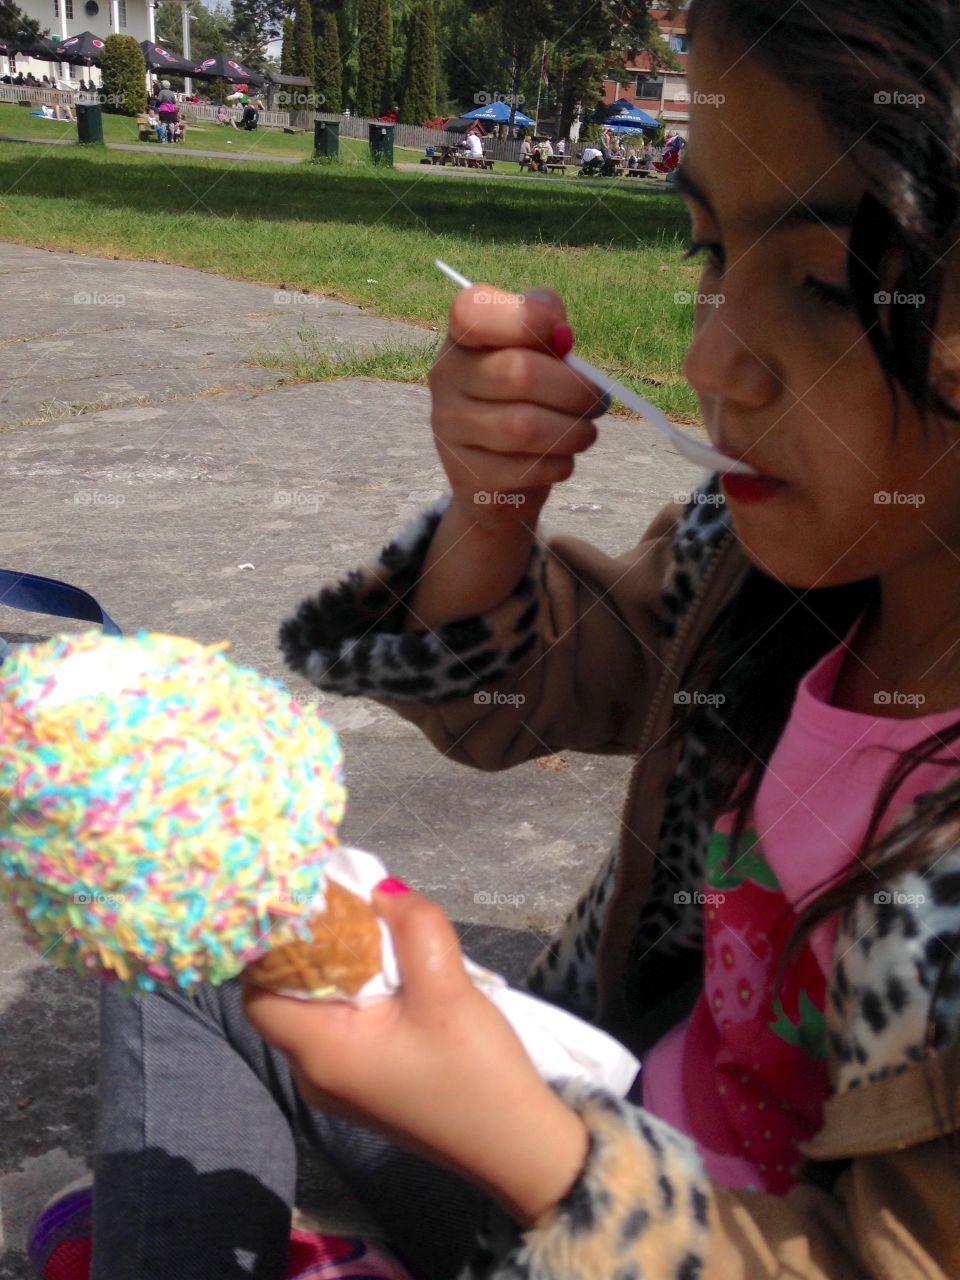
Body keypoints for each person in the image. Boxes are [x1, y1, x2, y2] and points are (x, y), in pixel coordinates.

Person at [31, 1, 960, 1278]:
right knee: (197, 913)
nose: (709, 355)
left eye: (816, 278)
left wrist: (538, 1155)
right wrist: (494, 507)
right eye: (707, 249)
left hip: (644, 1220)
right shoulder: (765, 571)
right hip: (591, 1100)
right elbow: (511, 701)